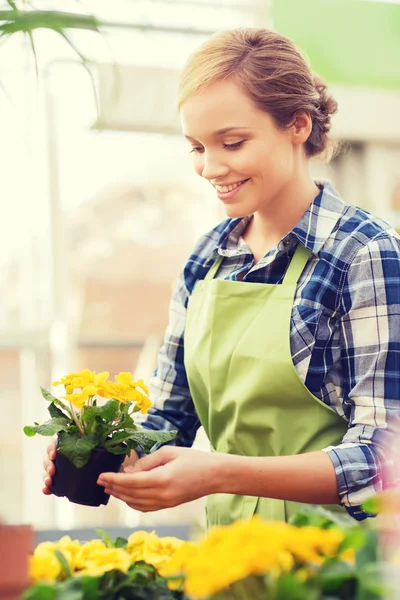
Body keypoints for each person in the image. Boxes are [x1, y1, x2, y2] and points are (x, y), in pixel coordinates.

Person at [43, 28, 400, 525]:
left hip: (338, 566)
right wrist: (100, 450)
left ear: (297, 125)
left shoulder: (364, 254)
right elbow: (169, 420)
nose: (210, 167)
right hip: (230, 558)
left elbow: (382, 462)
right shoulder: (208, 256)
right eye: (196, 147)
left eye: (232, 142)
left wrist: (219, 473)